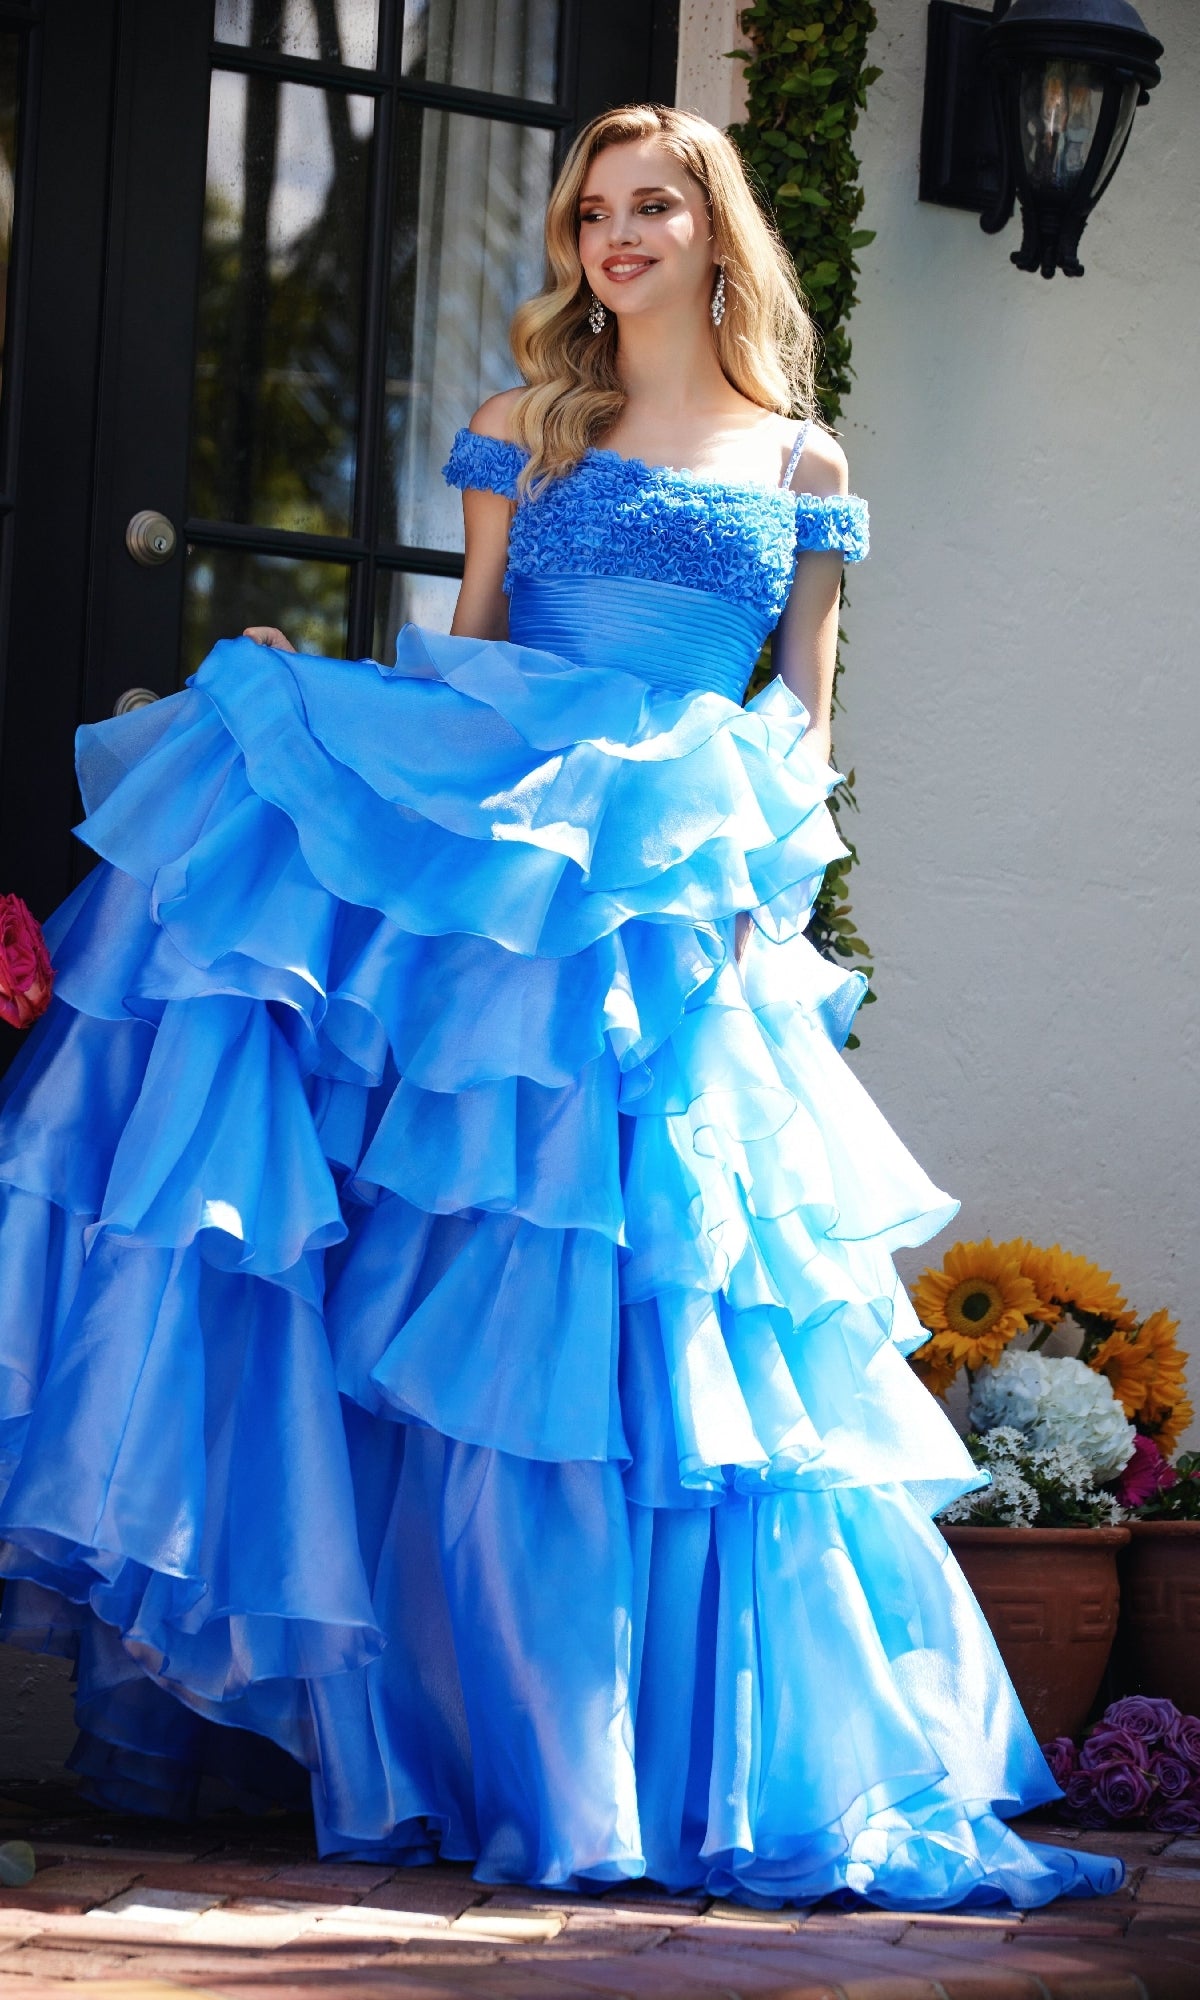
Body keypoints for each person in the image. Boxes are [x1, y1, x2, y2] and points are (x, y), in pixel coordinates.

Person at [0, 104, 1120, 1909]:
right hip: (526, 850)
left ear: (713, 229)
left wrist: (767, 899)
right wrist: (321, 719)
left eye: (651, 203)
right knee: (482, 1284)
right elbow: (484, 644)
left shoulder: (799, 460)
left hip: (685, 866)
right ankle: (465, 1737)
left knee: (668, 1306)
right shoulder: (531, 426)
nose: (615, 233)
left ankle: (640, 1758)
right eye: (591, 209)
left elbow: (810, 717)